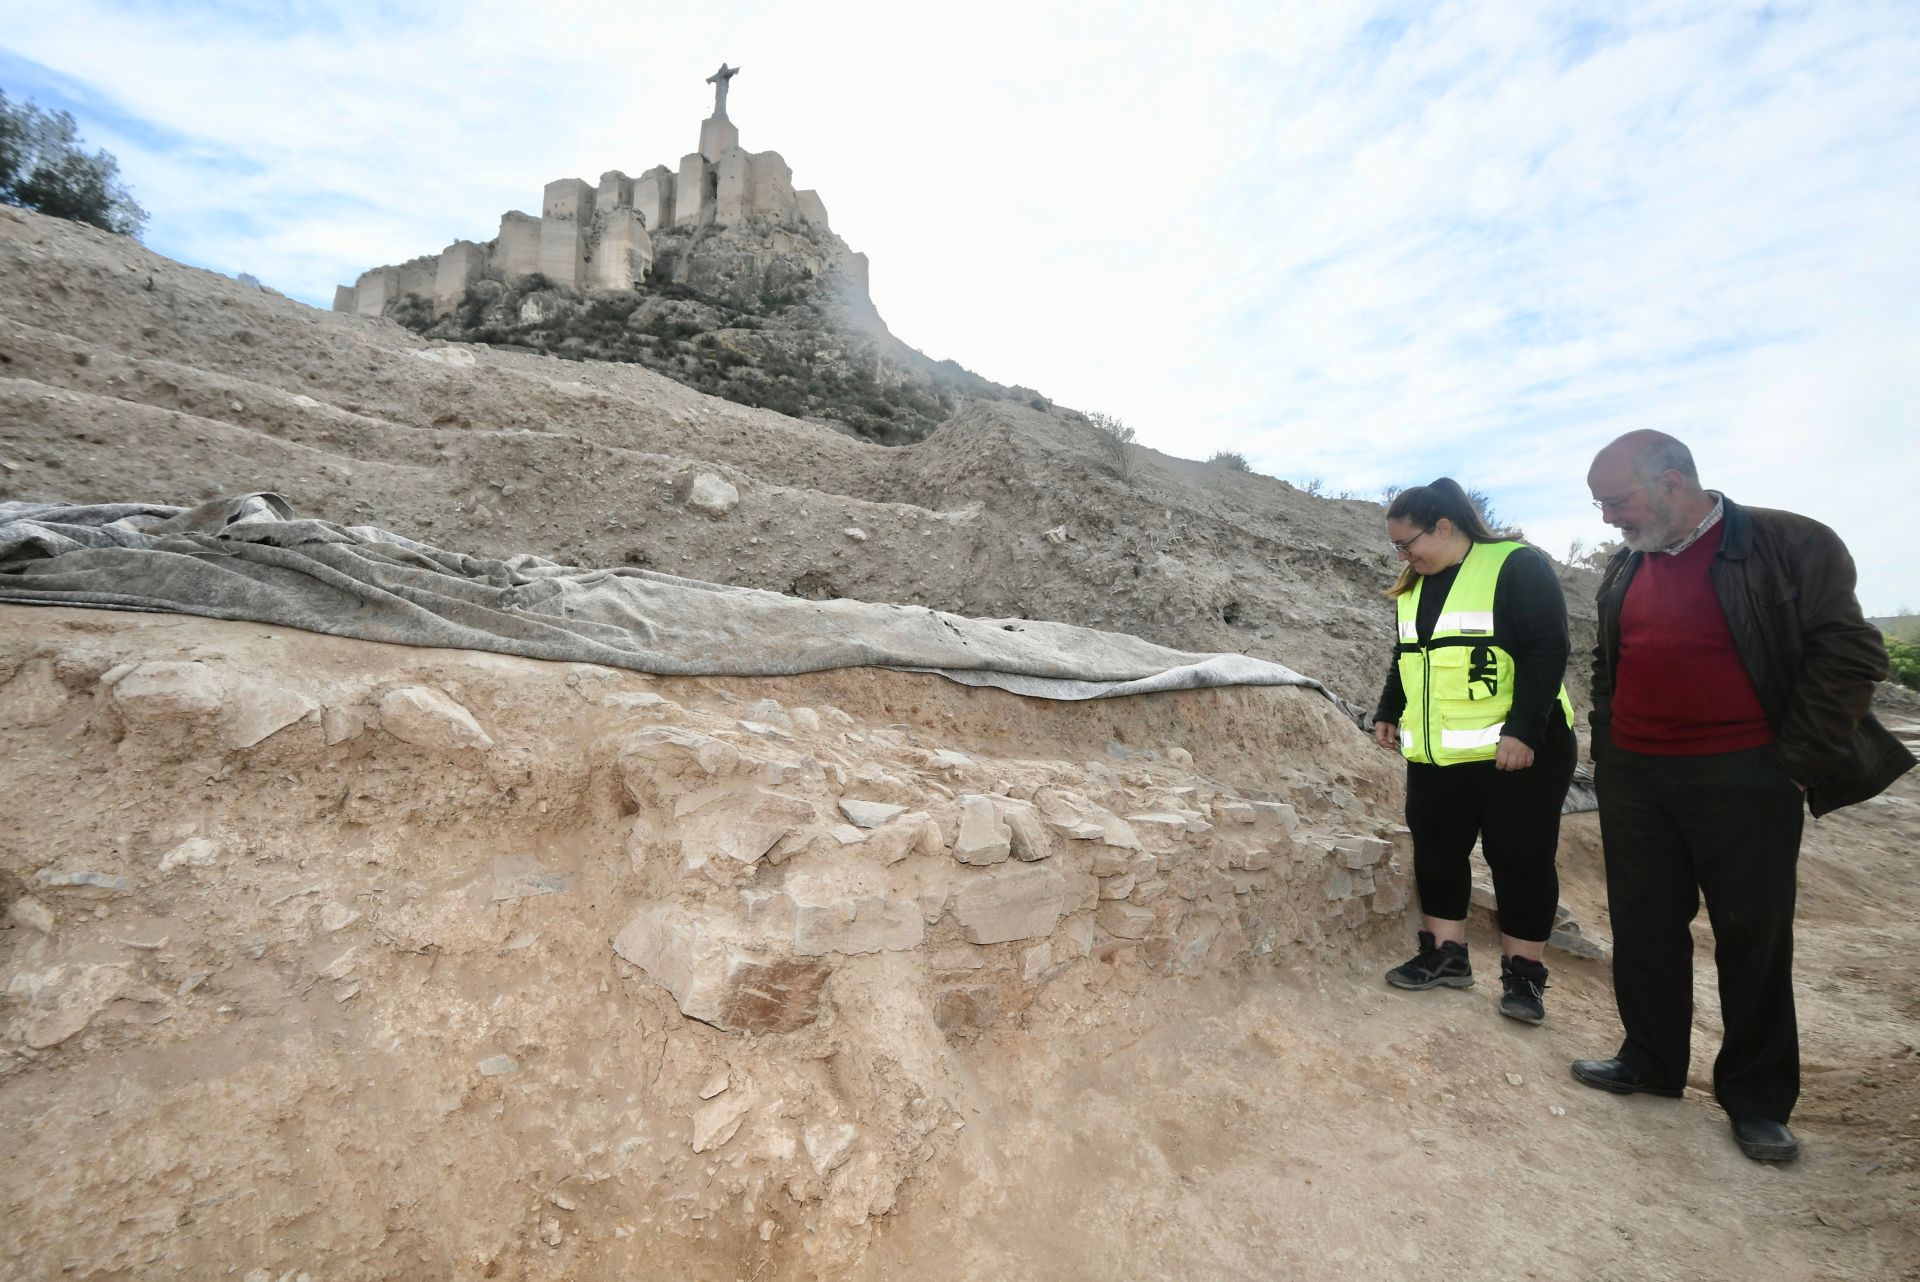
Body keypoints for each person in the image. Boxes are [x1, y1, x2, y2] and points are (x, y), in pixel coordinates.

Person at [1573, 430, 1913, 1163]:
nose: (1607, 519)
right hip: (1638, 775)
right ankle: (1651, 1062)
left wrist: (1790, 765)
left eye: (1616, 501)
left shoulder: (1790, 542)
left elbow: (1853, 654)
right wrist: (1609, 748)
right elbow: (1611, 660)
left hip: (1745, 778)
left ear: (1670, 483)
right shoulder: (1625, 562)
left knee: (1751, 940)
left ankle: (1757, 1101)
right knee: (1644, 927)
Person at [1372, 478, 1577, 1024]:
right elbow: (1407, 655)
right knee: (1437, 849)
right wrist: (1389, 709)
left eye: (1406, 543)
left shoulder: (1515, 565)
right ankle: (1445, 957)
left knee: (1520, 859)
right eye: (1396, 548)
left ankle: (1524, 980)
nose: (1402, 555)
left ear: (1444, 527)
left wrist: (1524, 731)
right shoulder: (1416, 583)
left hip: (1519, 752)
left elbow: (1547, 649)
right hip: (1439, 754)